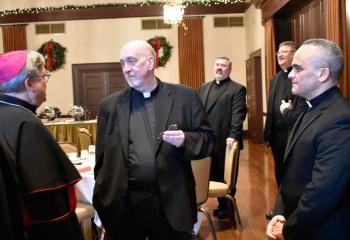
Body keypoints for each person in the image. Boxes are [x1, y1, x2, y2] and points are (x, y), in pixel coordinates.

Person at [93, 40, 215, 240]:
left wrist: (186, 139)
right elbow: (102, 159)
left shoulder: (185, 97)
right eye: (122, 63)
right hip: (125, 204)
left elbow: (208, 139)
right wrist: (103, 194)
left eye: (131, 61)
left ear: (150, 63)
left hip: (170, 201)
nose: (126, 69)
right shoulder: (110, 105)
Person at [266, 39, 350, 240]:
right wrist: (280, 211)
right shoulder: (308, 108)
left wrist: (288, 229)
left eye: (297, 69)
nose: (291, 75)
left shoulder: (341, 119)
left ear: (323, 74)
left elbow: (324, 191)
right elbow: (290, 175)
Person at [0, 50, 83, 240]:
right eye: (44, 76)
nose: (46, 81)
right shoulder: (26, 122)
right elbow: (47, 201)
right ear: (29, 84)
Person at [198, 56, 247, 219]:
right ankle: (221, 205)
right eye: (217, 64)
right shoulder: (205, 87)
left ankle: (228, 208)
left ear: (229, 69)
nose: (219, 67)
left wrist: (233, 135)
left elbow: (238, 114)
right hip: (207, 140)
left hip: (226, 141)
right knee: (210, 174)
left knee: (225, 176)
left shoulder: (237, 89)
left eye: (224, 65)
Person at [264, 41, 308, 187]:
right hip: (276, 136)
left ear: (294, 54)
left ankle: (288, 207)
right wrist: (268, 134)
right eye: (278, 52)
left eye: (284, 51)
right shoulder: (275, 78)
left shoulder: (300, 76)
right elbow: (271, 108)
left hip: (291, 134)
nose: (279, 54)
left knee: (291, 173)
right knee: (279, 171)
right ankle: (281, 204)